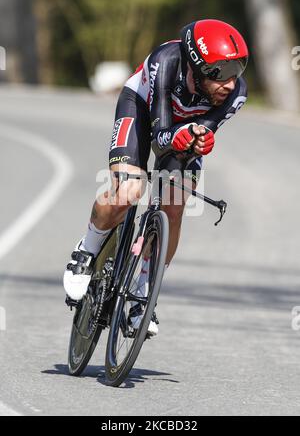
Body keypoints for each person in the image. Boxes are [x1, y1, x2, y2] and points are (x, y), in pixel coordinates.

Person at [63, 19, 248, 335]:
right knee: (128, 191)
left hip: (181, 131)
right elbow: (160, 134)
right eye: (221, 73)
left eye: (238, 70)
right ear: (195, 65)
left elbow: (200, 133)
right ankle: (86, 251)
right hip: (141, 110)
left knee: (174, 206)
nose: (231, 83)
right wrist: (178, 135)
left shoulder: (236, 94)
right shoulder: (165, 61)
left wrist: (201, 137)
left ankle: (143, 294)